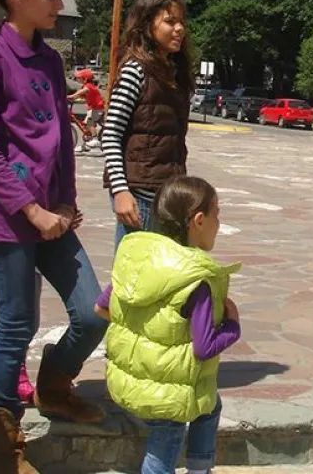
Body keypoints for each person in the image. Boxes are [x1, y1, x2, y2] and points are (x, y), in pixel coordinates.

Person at [0, 0, 108, 471]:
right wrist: (32, 210)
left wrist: (65, 201)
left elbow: (58, 139)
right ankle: (6, 439)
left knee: (92, 312)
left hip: (53, 218)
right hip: (8, 217)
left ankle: (54, 387)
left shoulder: (50, 61)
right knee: (17, 325)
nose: (60, 3)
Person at [94, 175, 242, 474]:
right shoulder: (197, 279)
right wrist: (233, 325)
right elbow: (204, 348)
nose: (219, 222)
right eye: (217, 215)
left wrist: (143, 335)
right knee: (164, 446)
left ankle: (201, 468)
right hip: (168, 392)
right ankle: (199, 468)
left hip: (129, 381)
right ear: (199, 220)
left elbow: (101, 307)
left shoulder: (137, 257)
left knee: (209, 405)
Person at [101, 0, 194, 250]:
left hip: (166, 194)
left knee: (162, 279)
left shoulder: (173, 74)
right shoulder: (135, 70)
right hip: (138, 195)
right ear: (147, 25)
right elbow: (110, 133)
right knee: (134, 280)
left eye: (181, 22)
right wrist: (120, 191)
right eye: (169, 21)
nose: (179, 29)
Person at [67, 68, 105, 153]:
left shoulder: (89, 86)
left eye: (79, 78)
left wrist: (71, 96)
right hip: (92, 108)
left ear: (85, 79)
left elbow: (79, 93)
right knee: (85, 128)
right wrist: (74, 98)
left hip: (97, 108)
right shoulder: (85, 86)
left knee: (90, 121)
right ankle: (86, 145)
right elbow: (82, 97)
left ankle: (95, 139)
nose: (78, 80)